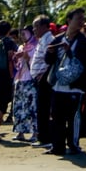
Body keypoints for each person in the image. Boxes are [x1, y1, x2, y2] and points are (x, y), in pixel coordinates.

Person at [45, 8, 86, 156]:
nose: (81, 22)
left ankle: (73, 144)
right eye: (78, 18)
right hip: (58, 85)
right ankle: (57, 146)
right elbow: (48, 61)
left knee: (73, 117)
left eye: (82, 19)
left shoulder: (84, 41)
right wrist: (50, 52)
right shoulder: (58, 39)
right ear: (69, 20)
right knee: (57, 117)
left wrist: (69, 52)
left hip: (75, 86)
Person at [30, 15, 56, 148]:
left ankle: (45, 138)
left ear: (45, 26)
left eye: (37, 26)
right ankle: (43, 137)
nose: (34, 29)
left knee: (44, 109)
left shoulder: (49, 39)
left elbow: (50, 60)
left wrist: (43, 75)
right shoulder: (42, 40)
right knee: (41, 109)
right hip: (39, 78)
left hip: (45, 79)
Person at [11, 27, 38, 141]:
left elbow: (35, 63)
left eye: (24, 33)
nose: (22, 36)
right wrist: (16, 58)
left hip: (30, 79)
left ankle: (35, 133)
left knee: (31, 106)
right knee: (18, 106)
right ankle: (20, 132)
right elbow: (18, 65)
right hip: (20, 79)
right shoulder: (21, 47)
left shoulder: (35, 46)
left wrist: (27, 59)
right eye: (21, 34)